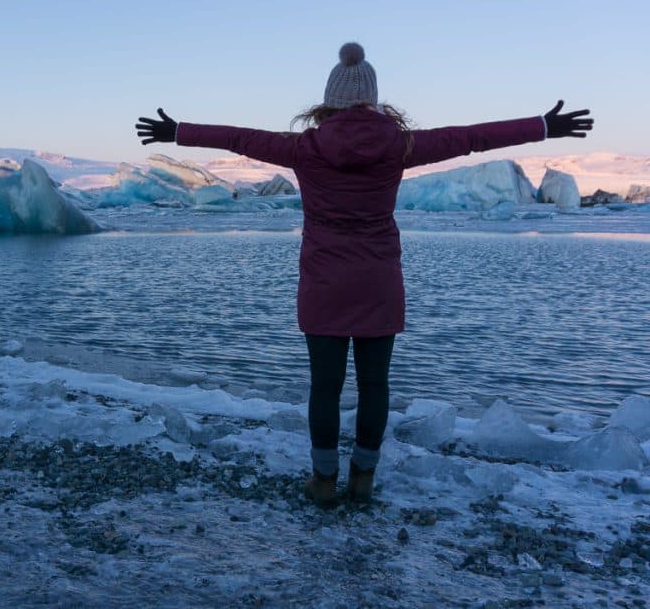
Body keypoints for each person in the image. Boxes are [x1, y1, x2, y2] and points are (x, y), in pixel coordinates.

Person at [135, 42, 593, 506]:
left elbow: (240, 138)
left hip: (324, 284)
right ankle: (363, 479)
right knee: (375, 385)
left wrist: (178, 132)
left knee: (325, 387)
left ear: (328, 99)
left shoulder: (304, 148)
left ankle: (322, 480)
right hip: (378, 281)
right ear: (372, 98)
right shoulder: (400, 144)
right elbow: (470, 137)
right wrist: (543, 126)